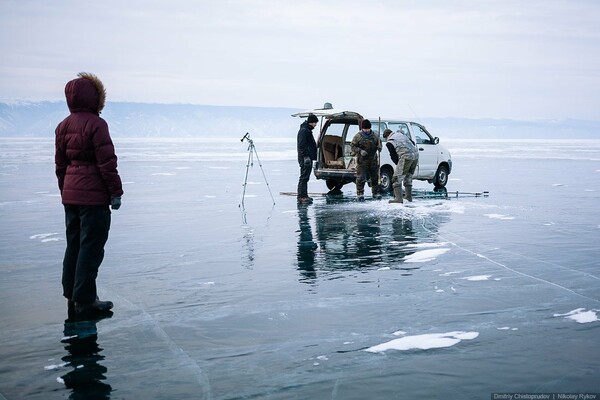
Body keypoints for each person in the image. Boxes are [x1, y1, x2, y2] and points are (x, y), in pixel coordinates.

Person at [55, 72, 123, 316]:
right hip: (93, 199)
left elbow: (60, 165)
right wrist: (115, 192)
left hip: (71, 197)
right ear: (96, 97)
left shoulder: (63, 126)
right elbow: (107, 162)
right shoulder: (97, 125)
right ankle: (85, 299)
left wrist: (65, 191)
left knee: (74, 244)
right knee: (91, 247)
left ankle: (72, 294)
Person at [383, 128, 419, 203]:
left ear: (386, 136)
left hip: (406, 157)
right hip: (415, 156)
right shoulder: (401, 135)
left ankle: (398, 199)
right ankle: (408, 197)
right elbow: (412, 142)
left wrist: (399, 165)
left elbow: (393, 156)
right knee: (408, 176)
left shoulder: (390, 142)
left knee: (396, 178)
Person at [351, 119, 382, 201]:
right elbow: (353, 147)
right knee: (361, 178)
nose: (367, 130)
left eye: (368, 129)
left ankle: (376, 193)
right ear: (362, 128)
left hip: (373, 160)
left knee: (375, 177)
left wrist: (379, 148)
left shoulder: (375, 136)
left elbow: (380, 145)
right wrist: (360, 151)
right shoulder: (358, 136)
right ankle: (360, 194)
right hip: (362, 161)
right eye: (365, 129)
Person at [297, 113, 318, 204]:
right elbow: (302, 146)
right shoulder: (304, 131)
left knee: (305, 177)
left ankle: (304, 195)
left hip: (308, 157)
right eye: (315, 123)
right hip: (305, 158)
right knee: (304, 177)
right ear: (311, 122)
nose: (315, 125)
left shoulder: (307, 130)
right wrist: (305, 157)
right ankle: (302, 196)